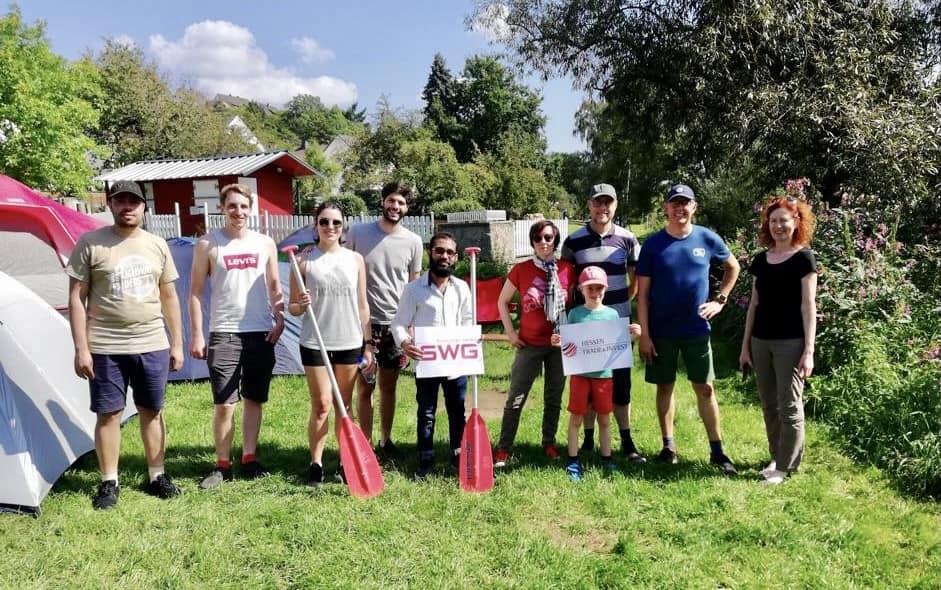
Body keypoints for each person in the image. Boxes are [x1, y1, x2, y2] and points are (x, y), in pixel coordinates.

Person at [66, 179, 184, 509]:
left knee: (152, 410)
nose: (127, 206)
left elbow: (169, 296)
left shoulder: (157, 245)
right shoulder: (90, 243)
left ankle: (157, 474)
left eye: (134, 201)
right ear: (110, 204)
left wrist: (177, 343)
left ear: (144, 206)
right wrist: (81, 348)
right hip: (105, 345)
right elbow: (76, 299)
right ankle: (109, 481)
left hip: (151, 342)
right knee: (108, 414)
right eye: (121, 201)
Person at [635, 183, 741, 475]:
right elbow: (642, 295)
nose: (680, 208)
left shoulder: (706, 238)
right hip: (661, 331)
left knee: (705, 388)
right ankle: (668, 447)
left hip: (696, 329)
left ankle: (717, 451)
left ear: (694, 207)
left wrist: (720, 300)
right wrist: (645, 334)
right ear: (666, 209)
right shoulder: (654, 245)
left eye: (686, 203)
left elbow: (733, 267)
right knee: (664, 386)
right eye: (674, 203)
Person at [188, 183, 284, 489]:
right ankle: (222, 464)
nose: (238, 212)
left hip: (259, 333)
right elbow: (194, 293)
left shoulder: (265, 243)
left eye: (243, 206)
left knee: (254, 399)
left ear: (250, 209)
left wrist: (279, 319)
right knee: (225, 403)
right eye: (232, 206)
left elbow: (274, 286)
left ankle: (249, 457)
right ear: (222, 208)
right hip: (224, 333)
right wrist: (197, 336)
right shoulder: (208, 244)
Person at [288, 202, 371, 486]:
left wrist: (367, 343)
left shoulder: (356, 259)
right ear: (316, 225)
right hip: (315, 342)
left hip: (349, 341)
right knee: (321, 404)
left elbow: (362, 305)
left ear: (343, 227)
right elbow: (293, 309)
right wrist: (299, 302)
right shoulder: (302, 261)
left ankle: (346, 461)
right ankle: (316, 463)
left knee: (344, 405)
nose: (330, 228)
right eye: (324, 222)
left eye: (336, 223)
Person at [561, 183, 645, 462]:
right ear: (589, 205)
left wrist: (621, 306)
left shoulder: (628, 239)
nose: (602, 208)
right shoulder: (573, 242)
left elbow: (635, 281)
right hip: (585, 326)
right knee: (587, 384)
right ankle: (586, 440)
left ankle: (627, 440)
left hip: (617, 326)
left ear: (615, 205)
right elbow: (568, 283)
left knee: (620, 387)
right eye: (598, 203)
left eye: (608, 202)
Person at [739, 196, 818, 485]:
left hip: (791, 343)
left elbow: (808, 307)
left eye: (784, 220)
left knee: (789, 405)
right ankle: (777, 456)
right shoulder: (762, 260)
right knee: (769, 404)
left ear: (796, 221)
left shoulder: (804, 259)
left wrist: (808, 350)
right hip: (761, 341)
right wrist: (745, 346)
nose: (778, 226)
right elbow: (754, 305)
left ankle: (785, 467)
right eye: (773, 221)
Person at [347, 181, 423, 457]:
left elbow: (414, 286)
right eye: (391, 201)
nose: (395, 206)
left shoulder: (414, 242)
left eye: (401, 203)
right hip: (362, 325)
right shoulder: (358, 232)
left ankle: (385, 440)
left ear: (407, 208)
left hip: (395, 326)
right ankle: (365, 445)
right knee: (365, 386)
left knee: (388, 388)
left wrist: (410, 324)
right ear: (382, 201)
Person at [391, 232, 472, 480]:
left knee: (457, 410)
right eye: (439, 251)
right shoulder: (414, 290)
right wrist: (405, 342)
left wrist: (472, 337)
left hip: (455, 362)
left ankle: (458, 454)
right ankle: (425, 457)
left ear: (456, 257)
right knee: (426, 411)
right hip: (426, 362)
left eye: (449, 252)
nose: (444, 256)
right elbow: (398, 324)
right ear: (430, 253)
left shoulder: (462, 288)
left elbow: (468, 320)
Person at [493, 220, 575, 467]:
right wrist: (510, 333)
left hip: (558, 346)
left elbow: (577, 305)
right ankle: (504, 448)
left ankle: (549, 443)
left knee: (554, 397)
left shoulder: (568, 269)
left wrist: (569, 332)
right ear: (532, 242)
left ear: (555, 241)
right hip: (528, 344)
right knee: (516, 398)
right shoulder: (521, 270)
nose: (543, 243)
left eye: (548, 238)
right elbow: (501, 302)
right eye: (538, 238)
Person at [562, 266, 642, 481]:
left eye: (599, 288)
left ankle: (607, 458)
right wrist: (559, 342)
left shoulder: (612, 314)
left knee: (605, 419)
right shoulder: (575, 314)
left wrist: (634, 336)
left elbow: (619, 344)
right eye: (590, 288)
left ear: (605, 290)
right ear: (581, 289)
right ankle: (572, 460)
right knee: (576, 417)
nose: (595, 292)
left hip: (604, 376)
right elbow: (569, 344)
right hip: (580, 375)